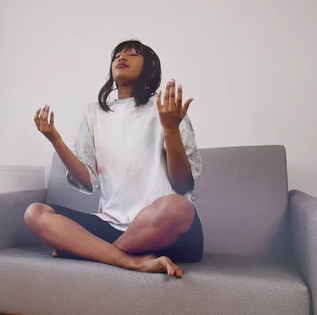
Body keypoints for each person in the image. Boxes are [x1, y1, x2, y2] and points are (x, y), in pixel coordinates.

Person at [24, 39, 203, 278]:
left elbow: (182, 185)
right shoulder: (94, 113)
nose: (121, 58)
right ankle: (131, 262)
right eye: (117, 55)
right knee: (35, 213)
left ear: (149, 68)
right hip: (112, 224)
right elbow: (89, 181)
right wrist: (56, 140)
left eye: (131, 54)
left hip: (164, 229)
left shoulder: (165, 109)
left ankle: (91, 252)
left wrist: (170, 129)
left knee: (177, 206)